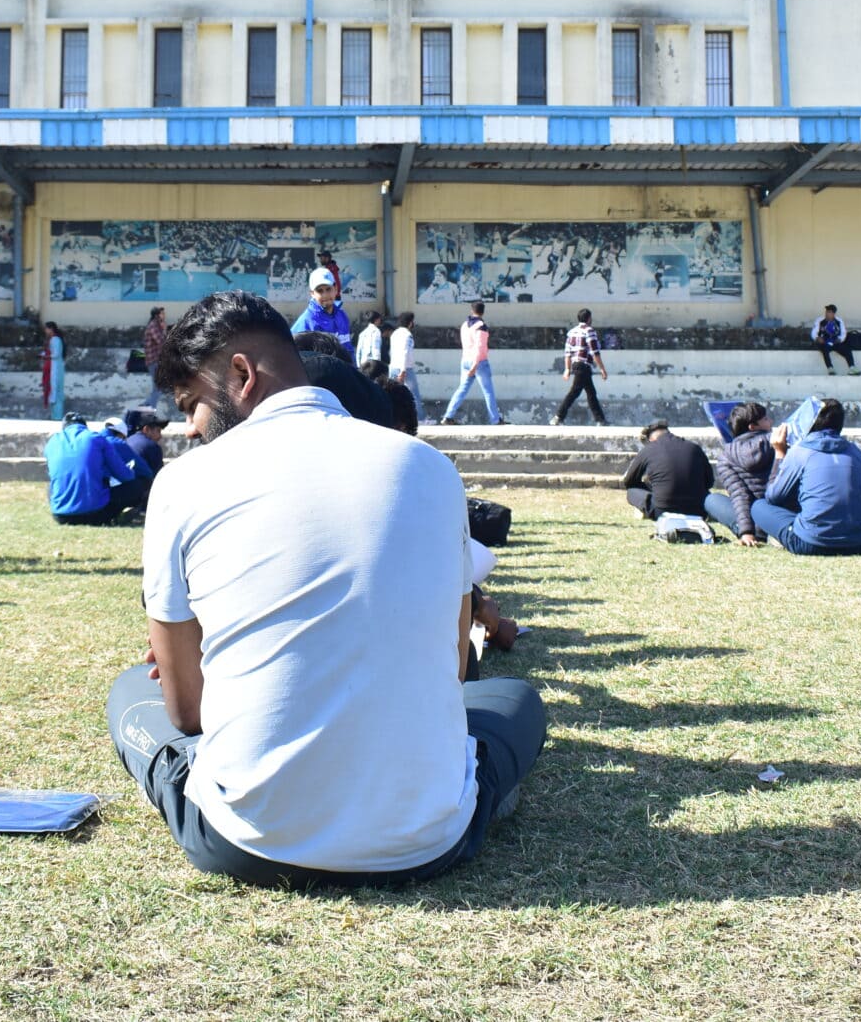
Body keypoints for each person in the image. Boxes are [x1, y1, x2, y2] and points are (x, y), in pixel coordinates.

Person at [107, 290, 546, 888]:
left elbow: (187, 714)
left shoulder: (184, 484)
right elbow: (455, 665)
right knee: (516, 702)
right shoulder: (430, 468)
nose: (189, 427)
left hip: (248, 840)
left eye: (191, 404)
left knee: (132, 691)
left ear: (241, 374)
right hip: (428, 839)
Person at [751, 398, 861, 555]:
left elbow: (774, 497)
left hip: (809, 543)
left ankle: (786, 535)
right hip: (859, 543)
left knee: (759, 506)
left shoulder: (799, 452)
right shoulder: (854, 451)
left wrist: (780, 453)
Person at [45, 412, 149, 525]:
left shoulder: (52, 442)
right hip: (95, 514)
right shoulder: (96, 438)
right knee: (135, 485)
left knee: (50, 486)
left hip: (60, 516)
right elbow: (124, 474)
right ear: (84, 426)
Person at [706, 401, 776, 545]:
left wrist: (746, 532)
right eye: (766, 419)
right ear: (752, 426)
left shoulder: (726, 455)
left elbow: (740, 495)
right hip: (778, 517)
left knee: (712, 499)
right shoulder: (777, 443)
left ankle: (753, 532)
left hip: (753, 522)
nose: (771, 421)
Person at [619, 419, 712, 520]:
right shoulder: (694, 447)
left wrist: (650, 485)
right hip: (697, 510)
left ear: (650, 439)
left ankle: (645, 510)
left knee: (631, 491)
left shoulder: (648, 449)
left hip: (662, 510)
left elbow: (628, 481)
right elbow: (709, 482)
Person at [440, 301, 504, 425]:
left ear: (472, 310)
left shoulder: (464, 325)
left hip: (465, 360)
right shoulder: (481, 326)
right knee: (488, 392)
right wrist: (475, 365)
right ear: (483, 312)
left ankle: (448, 416)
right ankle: (495, 420)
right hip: (478, 362)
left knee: (462, 389)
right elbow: (480, 347)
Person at [552, 308, 608, 426]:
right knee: (575, 392)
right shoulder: (589, 331)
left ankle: (600, 420)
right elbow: (594, 351)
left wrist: (567, 369)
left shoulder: (572, 332)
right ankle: (558, 416)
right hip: (583, 366)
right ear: (588, 319)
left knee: (591, 393)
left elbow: (567, 352)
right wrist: (602, 368)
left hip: (577, 365)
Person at [290, 268, 352, 347]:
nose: (325, 295)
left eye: (328, 289)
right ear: (312, 293)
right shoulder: (307, 322)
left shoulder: (342, 316)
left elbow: (348, 349)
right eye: (320, 291)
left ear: (336, 289)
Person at [388, 311, 423, 419]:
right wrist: (403, 370)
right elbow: (405, 352)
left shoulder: (395, 333)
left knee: (392, 395)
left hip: (393, 367)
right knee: (414, 395)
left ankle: (393, 418)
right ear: (410, 322)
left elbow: (392, 351)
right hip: (405, 369)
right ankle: (420, 419)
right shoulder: (407, 335)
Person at [811, 305, 860, 376]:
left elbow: (843, 333)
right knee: (824, 348)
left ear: (833, 314)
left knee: (847, 349)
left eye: (829, 312)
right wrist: (817, 338)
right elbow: (813, 332)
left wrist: (840, 339)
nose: (827, 314)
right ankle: (830, 368)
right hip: (824, 342)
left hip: (835, 342)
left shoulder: (839, 321)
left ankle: (852, 368)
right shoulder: (819, 320)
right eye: (826, 312)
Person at [124, 407, 169, 475]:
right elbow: (159, 475)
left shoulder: (127, 441)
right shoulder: (152, 446)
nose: (160, 436)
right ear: (146, 429)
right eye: (158, 431)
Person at [142, 305, 170, 410]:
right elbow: (161, 342)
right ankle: (151, 409)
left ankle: (146, 405)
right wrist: (164, 329)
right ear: (157, 315)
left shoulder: (157, 325)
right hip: (153, 361)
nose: (164, 315)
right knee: (158, 387)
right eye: (162, 313)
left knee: (158, 387)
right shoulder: (153, 326)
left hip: (156, 361)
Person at [41, 321, 66, 416]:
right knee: (56, 391)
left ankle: (56, 415)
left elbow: (56, 354)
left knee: (54, 390)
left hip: (54, 368)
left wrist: (45, 356)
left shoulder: (55, 340)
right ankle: (56, 414)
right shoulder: (56, 339)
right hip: (57, 367)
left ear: (51, 329)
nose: (45, 330)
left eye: (46, 328)